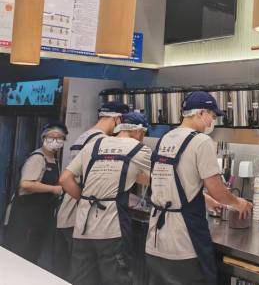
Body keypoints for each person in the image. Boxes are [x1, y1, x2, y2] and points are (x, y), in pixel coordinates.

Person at [145, 91, 252, 285]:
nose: (213, 121)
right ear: (201, 113)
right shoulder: (201, 141)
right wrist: (238, 203)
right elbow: (218, 191)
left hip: (155, 242)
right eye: (212, 115)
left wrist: (204, 199)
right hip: (183, 243)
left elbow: (171, 185)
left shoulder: (165, 139)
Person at [59, 112, 151, 285]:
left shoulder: (93, 145)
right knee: (116, 280)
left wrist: (84, 200)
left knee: (82, 280)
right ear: (139, 131)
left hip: (83, 229)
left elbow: (64, 179)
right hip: (112, 230)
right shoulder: (139, 149)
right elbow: (161, 179)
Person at [53, 101, 129, 280]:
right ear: (117, 119)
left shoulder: (85, 136)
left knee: (78, 274)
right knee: (89, 276)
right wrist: (85, 200)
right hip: (79, 218)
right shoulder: (100, 141)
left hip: (66, 214)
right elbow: (67, 180)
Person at [4, 121, 68, 264]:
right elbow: (26, 184)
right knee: (19, 258)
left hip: (39, 217)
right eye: (51, 137)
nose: (55, 141)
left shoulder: (54, 160)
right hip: (24, 218)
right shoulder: (37, 158)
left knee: (32, 257)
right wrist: (53, 189)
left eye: (59, 138)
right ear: (43, 137)